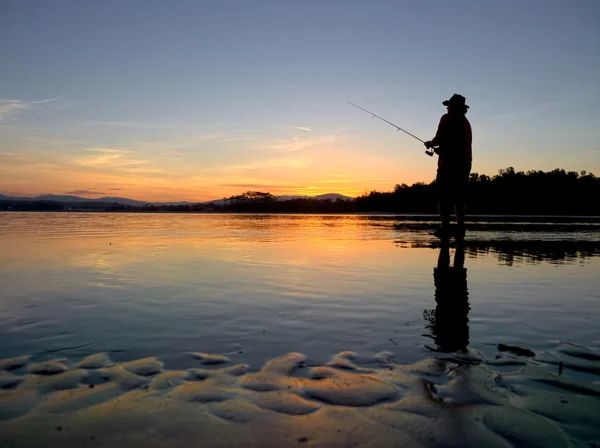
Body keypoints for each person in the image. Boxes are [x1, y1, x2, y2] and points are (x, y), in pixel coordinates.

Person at [424, 94, 472, 239]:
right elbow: (453, 143)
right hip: (464, 162)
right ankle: (460, 229)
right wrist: (440, 150)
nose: (447, 108)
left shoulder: (447, 118)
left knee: (443, 196)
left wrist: (430, 144)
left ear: (454, 107)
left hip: (448, 164)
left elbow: (440, 138)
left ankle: (444, 228)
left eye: (449, 105)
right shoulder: (465, 122)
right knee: (459, 197)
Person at [424, 241, 470, 353]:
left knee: (446, 269)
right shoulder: (462, 339)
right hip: (458, 303)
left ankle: (446, 236)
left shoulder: (446, 339)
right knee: (456, 268)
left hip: (450, 302)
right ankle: (456, 234)